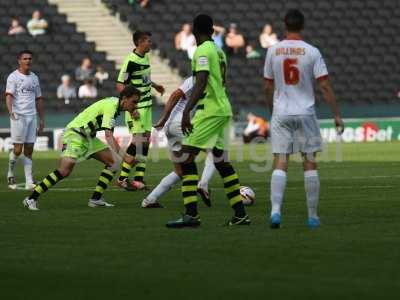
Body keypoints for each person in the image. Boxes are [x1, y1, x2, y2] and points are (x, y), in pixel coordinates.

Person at [166, 14, 250, 228]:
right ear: (213, 31)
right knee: (222, 163)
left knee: (185, 158)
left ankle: (191, 215)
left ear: (195, 31)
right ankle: (240, 215)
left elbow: (202, 81)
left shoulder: (202, 50)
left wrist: (187, 111)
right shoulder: (219, 51)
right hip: (223, 109)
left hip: (210, 110)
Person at [263, 9, 344, 229]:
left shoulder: (273, 51)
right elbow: (325, 85)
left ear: (284, 25)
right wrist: (337, 114)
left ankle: (275, 212)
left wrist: (272, 109)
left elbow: (267, 86)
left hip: (281, 112)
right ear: (303, 26)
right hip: (305, 112)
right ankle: (312, 216)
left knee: (281, 161)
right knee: (309, 162)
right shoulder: (312, 52)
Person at [22, 85, 141, 211]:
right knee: (64, 171)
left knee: (114, 163)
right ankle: (31, 198)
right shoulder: (111, 107)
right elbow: (108, 136)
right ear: (124, 99)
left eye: (137, 103)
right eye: (134, 102)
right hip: (75, 134)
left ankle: (95, 199)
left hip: (88, 138)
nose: (136, 105)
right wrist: (125, 156)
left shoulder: (116, 105)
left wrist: (131, 111)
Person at [142, 76, 216, 208]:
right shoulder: (197, 79)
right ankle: (203, 184)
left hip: (171, 128)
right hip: (180, 124)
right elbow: (175, 94)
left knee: (180, 171)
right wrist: (163, 118)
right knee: (215, 152)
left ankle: (150, 199)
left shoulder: (205, 81)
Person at [116, 30, 165, 191]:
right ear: (140, 42)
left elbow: (144, 78)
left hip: (147, 106)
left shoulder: (145, 57)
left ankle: (138, 179)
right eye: (148, 41)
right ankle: (122, 178)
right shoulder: (130, 61)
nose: (150, 43)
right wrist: (130, 108)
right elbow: (120, 84)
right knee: (137, 141)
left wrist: (155, 85)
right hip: (137, 108)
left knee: (145, 142)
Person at [6, 50, 44, 190]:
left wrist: (41, 119)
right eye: (25, 58)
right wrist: (11, 111)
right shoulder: (13, 77)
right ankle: (10, 173)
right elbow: (9, 96)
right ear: (19, 60)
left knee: (29, 150)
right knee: (17, 149)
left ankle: (29, 182)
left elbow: (39, 99)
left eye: (29, 58)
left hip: (31, 116)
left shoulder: (34, 77)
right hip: (18, 116)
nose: (28, 61)